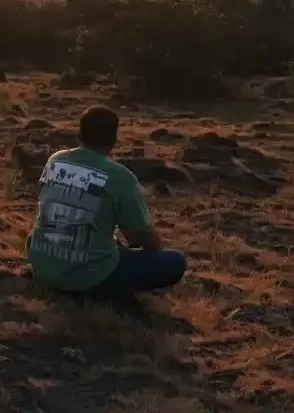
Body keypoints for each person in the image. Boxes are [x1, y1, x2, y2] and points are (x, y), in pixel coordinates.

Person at [26, 105, 186, 300]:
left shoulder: (56, 160)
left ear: (79, 134)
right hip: (88, 275)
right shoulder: (120, 176)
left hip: (42, 266)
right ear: (114, 140)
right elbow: (144, 240)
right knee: (175, 261)